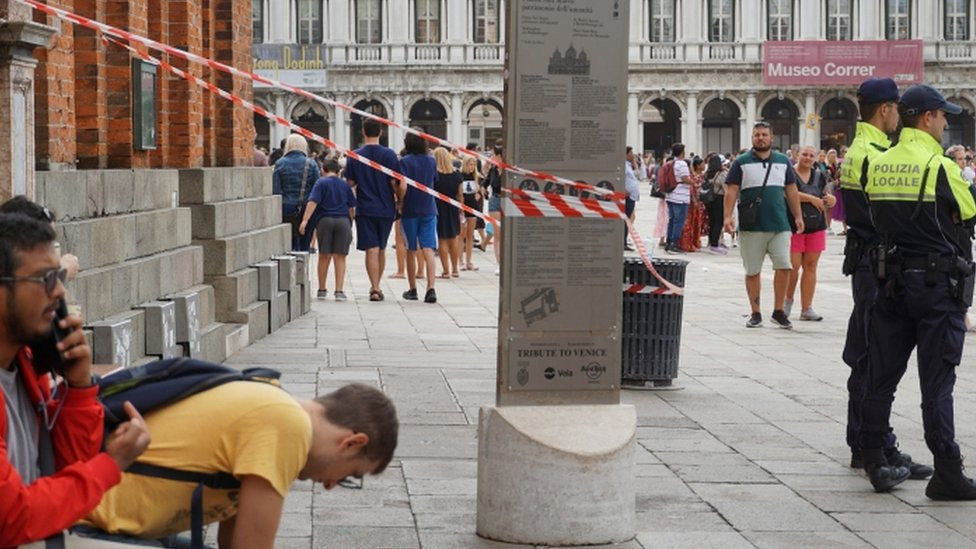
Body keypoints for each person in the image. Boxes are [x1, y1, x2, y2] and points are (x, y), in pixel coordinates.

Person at [79, 383, 398, 548]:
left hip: (119, 528)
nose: (330, 485)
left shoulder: (273, 402)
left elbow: (231, 544)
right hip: (88, 526)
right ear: (353, 442)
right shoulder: (287, 425)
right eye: (349, 475)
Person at [0, 213, 151, 548]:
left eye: (59, 275)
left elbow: (66, 474)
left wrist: (79, 388)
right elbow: (12, 519)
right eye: (45, 278)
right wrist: (112, 463)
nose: (59, 291)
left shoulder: (24, 365)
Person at [861, 84, 976, 497]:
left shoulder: (878, 163)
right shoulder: (940, 167)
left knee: (881, 378)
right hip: (936, 288)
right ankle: (947, 470)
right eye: (943, 117)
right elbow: (968, 211)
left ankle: (875, 459)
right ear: (927, 118)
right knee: (937, 383)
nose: (946, 123)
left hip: (890, 283)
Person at [837, 77, 932, 481]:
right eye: (896, 108)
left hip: (863, 261)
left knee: (863, 356)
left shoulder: (859, 150)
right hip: (874, 264)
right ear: (886, 110)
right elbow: (879, 218)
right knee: (874, 359)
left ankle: (863, 442)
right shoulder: (874, 154)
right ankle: (875, 443)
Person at [723, 121, 804, 329]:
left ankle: (778, 311)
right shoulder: (740, 162)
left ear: (771, 137)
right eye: (757, 134)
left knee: (785, 266)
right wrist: (727, 217)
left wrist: (798, 215)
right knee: (752, 271)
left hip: (780, 224)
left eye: (764, 134)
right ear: (752, 138)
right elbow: (731, 190)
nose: (760, 138)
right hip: (752, 226)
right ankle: (755, 311)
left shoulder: (782, 160)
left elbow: (791, 189)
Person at [344, 119, 403, 302]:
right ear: (381, 133)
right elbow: (395, 182)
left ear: (363, 132)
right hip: (386, 207)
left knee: (372, 249)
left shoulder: (355, 155)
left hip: (365, 207)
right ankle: (377, 285)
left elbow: (350, 182)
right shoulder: (390, 155)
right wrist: (400, 200)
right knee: (382, 247)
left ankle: (375, 287)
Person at [784, 145, 836, 321]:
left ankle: (807, 308)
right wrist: (811, 198)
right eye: (804, 154)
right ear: (797, 155)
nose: (807, 157)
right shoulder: (789, 173)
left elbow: (826, 195)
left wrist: (831, 200)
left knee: (811, 266)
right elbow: (787, 193)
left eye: (811, 155)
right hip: (794, 226)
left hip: (816, 225)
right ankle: (787, 302)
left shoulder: (820, 175)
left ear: (816, 158)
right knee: (793, 266)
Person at [299, 159, 356, 302]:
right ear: (338, 171)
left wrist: (305, 221)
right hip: (343, 221)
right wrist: (350, 223)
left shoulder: (321, 183)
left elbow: (313, 202)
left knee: (324, 255)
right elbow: (351, 208)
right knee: (340, 256)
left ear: (323, 170)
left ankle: (322, 289)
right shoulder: (344, 185)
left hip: (325, 221)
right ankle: (339, 290)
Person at [399, 131, 439, 303]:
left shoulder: (404, 162)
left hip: (410, 208)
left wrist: (400, 201)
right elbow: (434, 181)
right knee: (428, 248)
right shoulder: (431, 161)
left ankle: (413, 288)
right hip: (429, 208)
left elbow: (402, 186)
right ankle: (431, 288)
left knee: (411, 249)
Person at [272, 135, 320, 252]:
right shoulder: (311, 163)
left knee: (289, 244)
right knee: (305, 244)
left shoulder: (280, 163)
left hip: (286, 208)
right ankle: (302, 267)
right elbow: (317, 189)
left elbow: (276, 191)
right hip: (307, 209)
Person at [433, 147, 463, 278]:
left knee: (442, 240)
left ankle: (445, 271)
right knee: (453, 238)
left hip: (438, 207)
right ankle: (455, 269)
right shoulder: (456, 175)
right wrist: (460, 208)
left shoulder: (435, 175)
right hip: (453, 207)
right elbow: (460, 194)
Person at [664, 143, 693, 254]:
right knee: (679, 221)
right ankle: (673, 244)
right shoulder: (682, 164)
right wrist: (693, 182)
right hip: (680, 196)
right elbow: (685, 178)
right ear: (682, 152)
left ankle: (668, 242)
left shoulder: (670, 163)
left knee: (672, 220)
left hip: (670, 194)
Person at [482, 140, 505, 275]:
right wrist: (482, 189)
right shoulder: (493, 169)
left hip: (509, 201)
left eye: (494, 155)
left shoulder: (508, 168)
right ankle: (499, 263)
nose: (492, 157)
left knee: (508, 234)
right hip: (495, 200)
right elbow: (486, 183)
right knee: (497, 234)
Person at [459, 156, 483, 272]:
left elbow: (480, 192)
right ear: (465, 164)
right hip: (462, 207)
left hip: (473, 206)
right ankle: (460, 261)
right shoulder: (460, 176)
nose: (472, 167)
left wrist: (479, 194)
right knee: (461, 235)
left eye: (474, 164)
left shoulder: (476, 177)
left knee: (470, 235)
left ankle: (469, 261)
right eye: (470, 164)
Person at [677, 156, 706, 253]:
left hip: (690, 202)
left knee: (691, 223)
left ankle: (689, 243)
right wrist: (695, 200)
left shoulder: (691, 176)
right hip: (692, 203)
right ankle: (688, 244)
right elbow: (693, 190)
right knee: (690, 224)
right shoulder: (692, 177)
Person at [703, 154, 729, 254]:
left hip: (709, 199)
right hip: (719, 198)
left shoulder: (707, 173)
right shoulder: (721, 174)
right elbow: (726, 188)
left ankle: (711, 242)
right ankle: (714, 245)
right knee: (719, 222)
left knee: (712, 221)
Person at [624, 146, 640, 251]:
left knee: (630, 218)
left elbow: (639, 175)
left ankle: (624, 240)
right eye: (631, 153)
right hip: (627, 196)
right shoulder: (624, 166)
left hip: (632, 196)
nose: (632, 155)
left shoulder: (629, 166)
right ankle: (623, 241)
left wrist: (635, 163)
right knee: (626, 219)